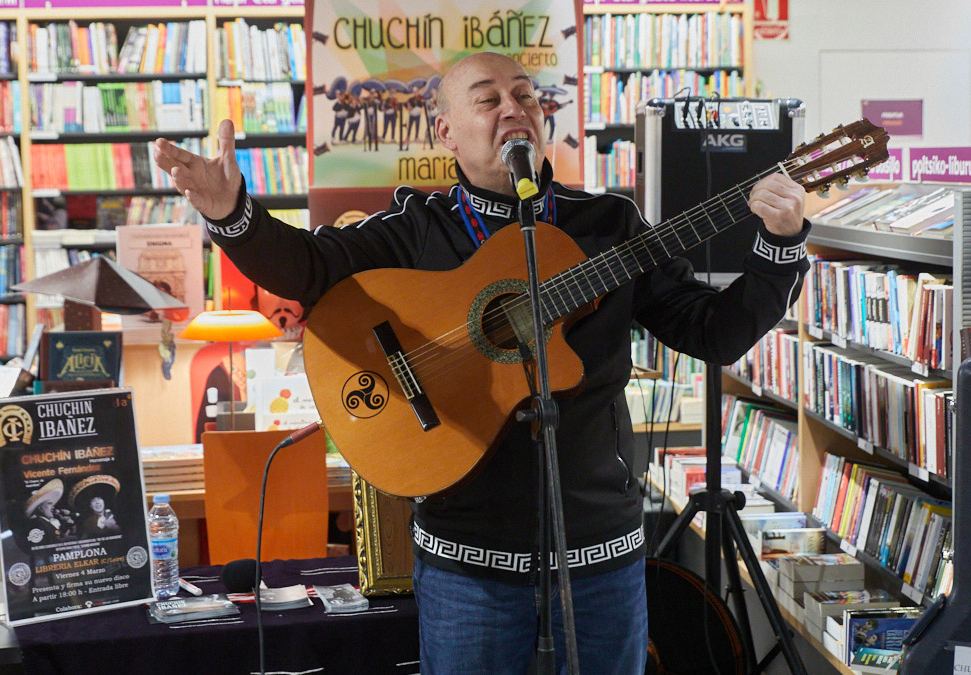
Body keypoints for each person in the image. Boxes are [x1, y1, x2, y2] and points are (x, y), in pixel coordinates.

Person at [154, 51, 808, 674]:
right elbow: (306, 266)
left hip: (602, 561)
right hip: (469, 568)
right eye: (488, 99)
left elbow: (714, 333)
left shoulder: (609, 224)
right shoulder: (415, 227)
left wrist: (777, 251)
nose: (512, 108)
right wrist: (232, 215)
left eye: (524, 95)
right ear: (447, 133)